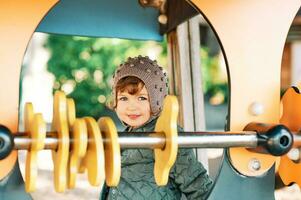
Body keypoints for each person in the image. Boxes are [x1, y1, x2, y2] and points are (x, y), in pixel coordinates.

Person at [100, 55, 212, 200]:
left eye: (142, 98)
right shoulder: (127, 134)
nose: (131, 107)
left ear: (157, 101)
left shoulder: (166, 136)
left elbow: (197, 184)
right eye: (123, 98)